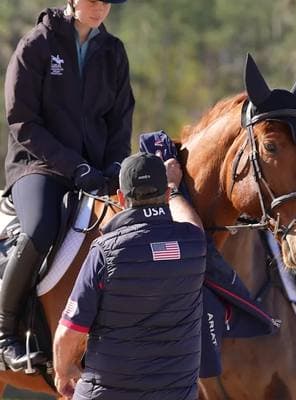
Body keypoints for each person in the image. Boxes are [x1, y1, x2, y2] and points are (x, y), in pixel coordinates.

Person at [1, 0, 134, 371]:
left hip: (95, 172)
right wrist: (74, 166)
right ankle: (4, 333)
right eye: (92, 0)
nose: (100, 8)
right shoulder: (36, 45)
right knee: (40, 228)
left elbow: (120, 121)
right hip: (38, 167)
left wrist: (113, 166)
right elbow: (22, 122)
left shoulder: (114, 53)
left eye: (106, 2)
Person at [53, 152, 206, 400]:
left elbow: (69, 332)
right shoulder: (194, 242)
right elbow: (190, 221)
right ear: (166, 196)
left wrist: (62, 370)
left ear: (121, 198)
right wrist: (174, 188)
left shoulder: (105, 251)